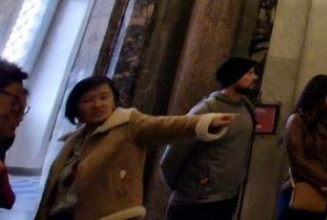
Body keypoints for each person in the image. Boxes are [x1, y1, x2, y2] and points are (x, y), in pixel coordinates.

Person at [35, 76, 235, 220]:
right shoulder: (75, 139)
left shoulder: (129, 125)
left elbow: (165, 126)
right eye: (88, 100)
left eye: (104, 97)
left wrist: (204, 122)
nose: (97, 104)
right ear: (76, 107)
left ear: (114, 100)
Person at [161, 57, 259, 220]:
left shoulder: (247, 107)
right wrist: (185, 188)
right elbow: (173, 155)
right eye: (249, 73)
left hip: (227, 198)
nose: (254, 77)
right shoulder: (206, 109)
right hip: (196, 201)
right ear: (234, 76)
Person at [276, 74, 327, 220]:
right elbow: (298, 160)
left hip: (320, 194)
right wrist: (325, 181)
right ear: (320, 95)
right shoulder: (297, 121)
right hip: (300, 191)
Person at [0, 59, 28, 210]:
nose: (20, 116)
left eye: (23, 107)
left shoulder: (4, 139)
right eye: (15, 103)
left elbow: (7, 200)